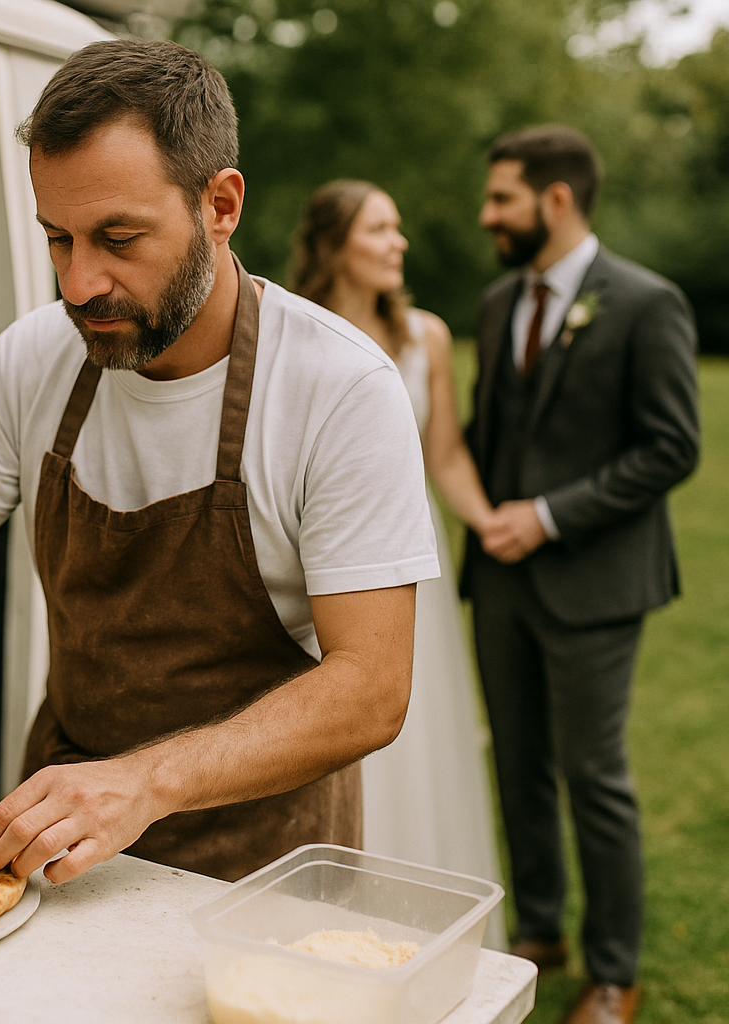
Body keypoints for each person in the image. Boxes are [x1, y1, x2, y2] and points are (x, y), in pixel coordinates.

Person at [0, 38, 441, 885]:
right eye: (59, 239)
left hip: (263, 861)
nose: (80, 283)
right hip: (55, 837)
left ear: (221, 204)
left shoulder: (339, 387)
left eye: (119, 237)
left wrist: (143, 782)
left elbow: (371, 687)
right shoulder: (30, 360)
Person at [467, 125, 699, 1024]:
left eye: (502, 199)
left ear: (555, 199)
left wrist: (552, 515)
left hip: (596, 582)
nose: (487, 215)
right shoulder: (495, 306)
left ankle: (613, 970)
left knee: (593, 775)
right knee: (518, 768)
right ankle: (541, 931)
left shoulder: (647, 303)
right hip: (498, 582)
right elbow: (491, 436)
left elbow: (673, 445)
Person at [290, 181, 506, 915]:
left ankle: (422, 911)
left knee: (420, 738)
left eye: (397, 228)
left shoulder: (428, 337)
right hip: (328, 563)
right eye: (380, 229)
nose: (398, 243)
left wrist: (490, 522)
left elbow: (444, 453)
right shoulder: (297, 335)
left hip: (416, 569)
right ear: (332, 246)